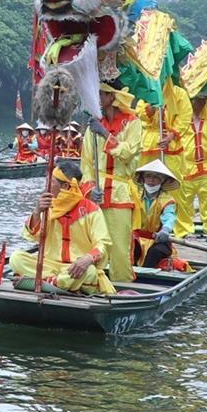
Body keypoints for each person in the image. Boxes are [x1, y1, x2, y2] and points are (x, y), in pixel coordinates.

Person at [6, 159, 115, 295]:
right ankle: (56, 282)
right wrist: (37, 211)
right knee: (16, 258)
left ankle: (48, 282)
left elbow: (104, 243)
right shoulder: (48, 205)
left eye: (52, 181)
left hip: (74, 268)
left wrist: (87, 258)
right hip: (49, 265)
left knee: (90, 272)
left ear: (65, 186)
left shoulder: (91, 209)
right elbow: (35, 236)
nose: (47, 185)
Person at [80, 88, 145, 283]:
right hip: (98, 194)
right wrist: (91, 189)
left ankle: (122, 285)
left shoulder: (133, 123)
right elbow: (86, 162)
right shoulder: (94, 125)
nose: (97, 98)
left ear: (112, 97)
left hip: (119, 192)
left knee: (119, 247)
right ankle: (95, 283)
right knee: (94, 243)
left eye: (101, 94)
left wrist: (106, 135)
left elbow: (128, 153)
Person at [171, 93, 207, 234]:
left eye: (202, 100)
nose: (199, 103)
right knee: (182, 207)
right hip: (185, 168)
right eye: (196, 100)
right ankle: (183, 236)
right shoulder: (179, 121)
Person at [129, 159, 189, 270]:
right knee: (128, 249)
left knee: (155, 253)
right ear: (142, 179)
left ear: (163, 181)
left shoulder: (167, 200)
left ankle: (145, 279)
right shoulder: (134, 196)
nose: (151, 180)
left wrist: (165, 229)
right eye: (148, 176)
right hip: (135, 237)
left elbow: (169, 216)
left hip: (158, 239)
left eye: (156, 177)